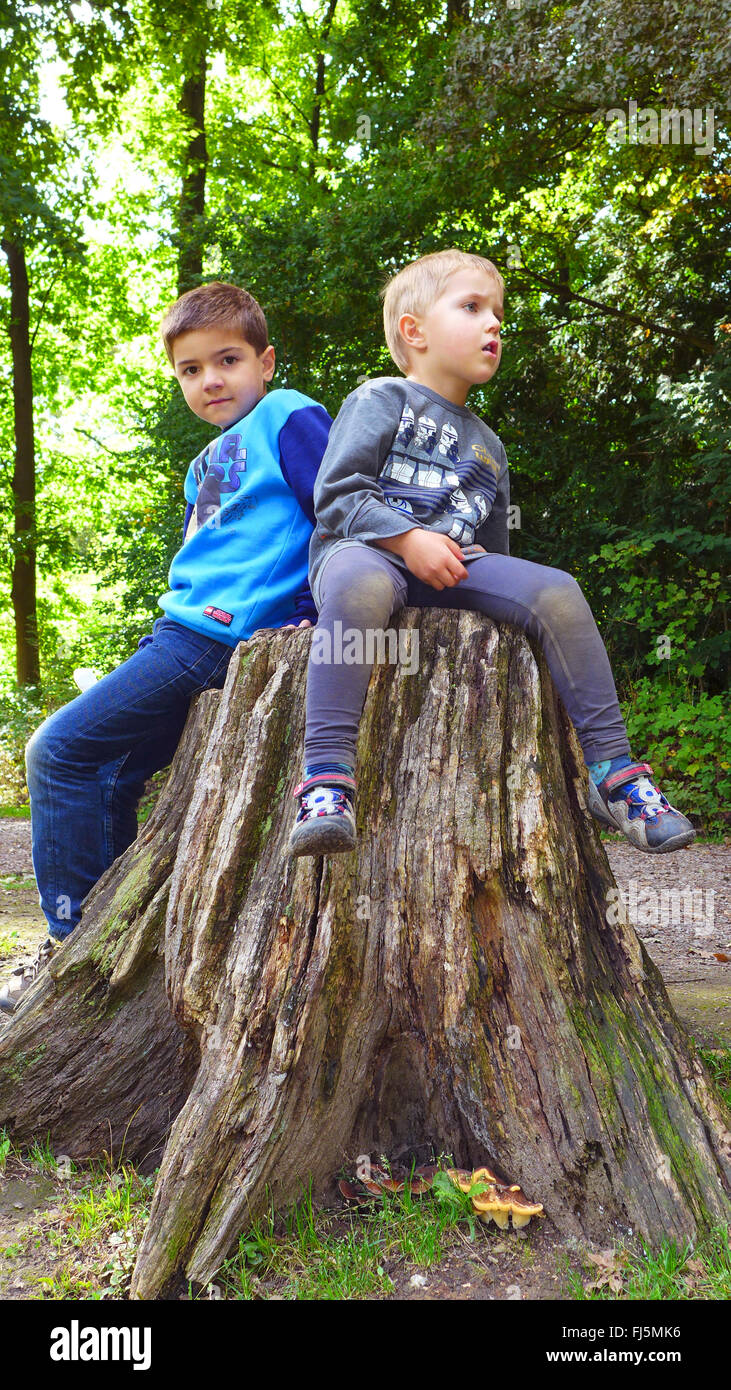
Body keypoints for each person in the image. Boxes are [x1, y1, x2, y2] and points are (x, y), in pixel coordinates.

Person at [287, 248, 695, 860]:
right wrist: (406, 538)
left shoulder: (490, 446)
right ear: (414, 331)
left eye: (498, 312)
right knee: (356, 583)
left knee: (556, 588)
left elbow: (494, 548)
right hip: (369, 550)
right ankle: (326, 781)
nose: (494, 323)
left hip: (456, 564)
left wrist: (498, 585)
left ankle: (615, 774)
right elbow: (338, 497)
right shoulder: (380, 398)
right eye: (472, 307)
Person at [1, 281, 331, 1014]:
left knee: (57, 751)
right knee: (108, 776)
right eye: (190, 369)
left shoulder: (290, 415)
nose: (210, 379)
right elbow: (202, 555)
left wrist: (312, 612)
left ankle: (66, 950)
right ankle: (103, 951)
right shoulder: (206, 461)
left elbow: (334, 510)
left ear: (265, 361)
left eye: (228, 360)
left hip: (219, 638)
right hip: (178, 633)